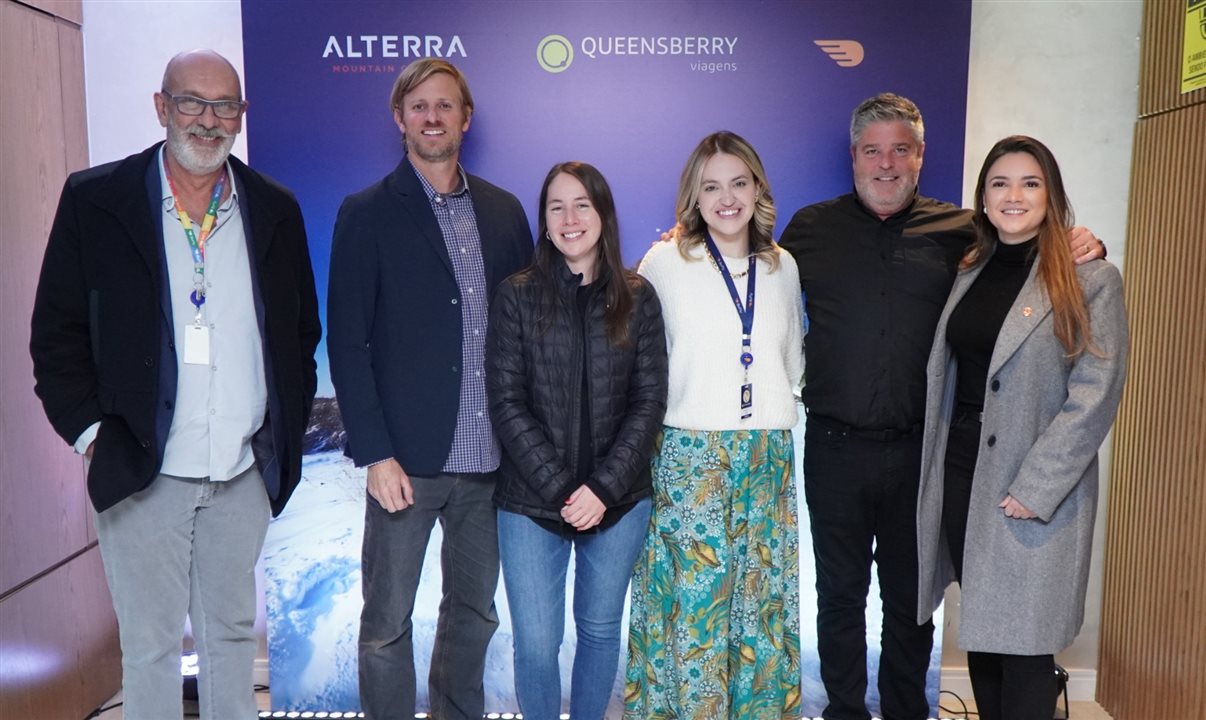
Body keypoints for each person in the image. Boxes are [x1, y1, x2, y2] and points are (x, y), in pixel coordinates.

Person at [777, 93, 1104, 720]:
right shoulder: (808, 230)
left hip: (925, 452)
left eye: (901, 148)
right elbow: (751, 273)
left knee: (913, 598)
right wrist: (689, 234)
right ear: (853, 157)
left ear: (922, 156)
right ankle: (843, 710)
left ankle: (906, 712)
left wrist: (1084, 240)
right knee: (839, 595)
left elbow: (1030, 261)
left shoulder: (964, 234)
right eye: (873, 150)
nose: (887, 163)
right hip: (834, 448)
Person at [29, 49, 320, 720]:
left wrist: (281, 425)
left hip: (240, 471)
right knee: (152, 650)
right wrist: (94, 434)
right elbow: (57, 334)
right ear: (162, 107)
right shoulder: (95, 201)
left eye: (225, 107)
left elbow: (300, 334)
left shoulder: (275, 209)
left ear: (241, 117)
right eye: (193, 102)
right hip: (142, 468)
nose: (209, 120)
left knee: (227, 641)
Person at [326, 58, 532, 720]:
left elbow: (527, 331)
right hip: (403, 465)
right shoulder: (366, 214)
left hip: (489, 462)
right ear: (400, 119)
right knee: (386, 624)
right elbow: (348, 344)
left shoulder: (503, 212)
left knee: (474, 614)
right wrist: (375, 453)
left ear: (465, 119)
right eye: (420, 106)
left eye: (446, 106)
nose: (433, 117)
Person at [915, 135, 1128, 720]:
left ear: (1051, 194)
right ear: (982, 198)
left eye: (1030, 183)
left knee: (1027, 642)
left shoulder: (1090, 278)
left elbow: (1095, 394)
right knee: (984, 627)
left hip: (1034, 483)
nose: (1014, 196)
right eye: (999, 183)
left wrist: (1036, 487)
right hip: (965, 469)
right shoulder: (970, 266)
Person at [624, 131, 804, 719]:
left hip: (766, 461)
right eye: (711, 186)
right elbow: (639, 363)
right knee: (693, 617)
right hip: (688, 459)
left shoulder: (783, 268)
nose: (727, 198)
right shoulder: (664, 263)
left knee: (761, 612)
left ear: (758, 189)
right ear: (693, 198)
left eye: (738, 183)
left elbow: (792, 364)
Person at [486, 161, 668, 720]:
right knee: (537, 645)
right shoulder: (517, 295)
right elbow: (507, 403)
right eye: (556, 206)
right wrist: (567, 489)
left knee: (598, 634)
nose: (569, 218)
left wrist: (602, 489)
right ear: (543, 219)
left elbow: (648, 403)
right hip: (531, 504)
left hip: (617, 504)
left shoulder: (639, 297)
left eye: (582, 204)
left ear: (603, 215)